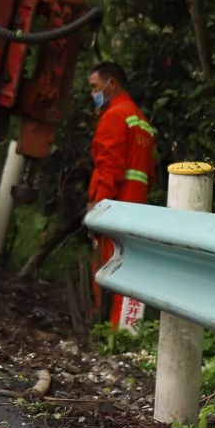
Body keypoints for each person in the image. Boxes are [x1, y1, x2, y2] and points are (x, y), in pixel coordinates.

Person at [86, 62, 155, 322]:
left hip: (114, 208)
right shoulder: (141, 121)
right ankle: (126, 334)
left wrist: (96, 207)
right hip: (137, 210)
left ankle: (108, 334)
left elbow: (108, 167)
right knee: (130, 273)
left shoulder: (114, 117)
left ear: (111, 84)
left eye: (95, 87)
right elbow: (149, 174)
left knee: (108, 271)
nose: (93, 93)